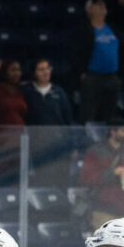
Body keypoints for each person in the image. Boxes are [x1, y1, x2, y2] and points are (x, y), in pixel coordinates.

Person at [23, 58, 76, 186]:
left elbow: (67, 120)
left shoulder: (59, 92)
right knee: (41, 177)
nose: (46, 72)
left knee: (60, 177)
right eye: (41, 69)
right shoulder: (27, 91)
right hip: (37, 144)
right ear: (34, 72)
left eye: (48, 68)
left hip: (59, 142)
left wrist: (71, 145)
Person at [73, 0, 122, 124]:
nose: (102, 7)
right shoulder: (84, 29)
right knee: (88, 114)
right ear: (89, 10)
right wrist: (82, 72)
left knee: (109, 115)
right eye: (97, 5)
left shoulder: (112, 28)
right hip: (92, 77)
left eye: (103, 5)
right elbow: (76, 52)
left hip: (111, 77)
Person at [80, 122, 124, 226]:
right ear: (113, 131)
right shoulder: (96, 151)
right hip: (102, 209)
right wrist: (113, 173)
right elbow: (86, 178)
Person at [0, 59, 29, 187]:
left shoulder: (20, 91)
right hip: (0, 140)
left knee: (16, 176)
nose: (17, 73)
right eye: (13, 70)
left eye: (18, 70)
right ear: (5, 72)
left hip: (18, 140)